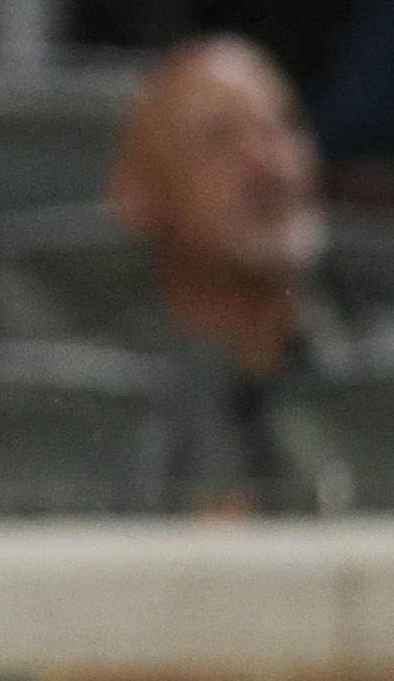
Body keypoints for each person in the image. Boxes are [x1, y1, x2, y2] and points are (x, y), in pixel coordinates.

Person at [108, 36, 363, 514]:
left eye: (283, 127)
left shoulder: (378, 369)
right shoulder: (100, 399)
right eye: (219, 137)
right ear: (134, 193)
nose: (267, 160)